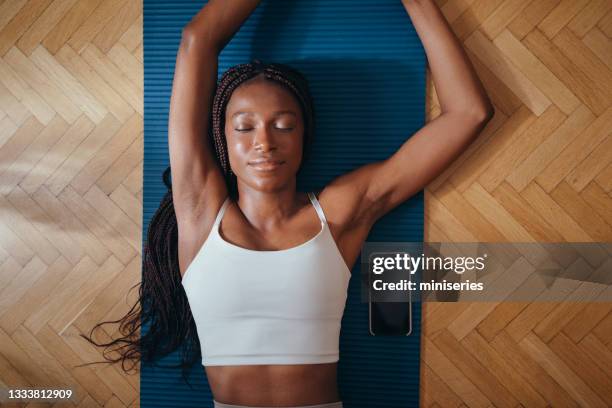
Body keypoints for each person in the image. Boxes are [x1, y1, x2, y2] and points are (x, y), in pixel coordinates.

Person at [82, 1, 493, 407]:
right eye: (244, 126)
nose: (264, 142)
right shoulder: (199, 212)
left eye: (283, 125)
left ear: (303, 135)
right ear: (222, 139)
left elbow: (469, 113)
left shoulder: (338, 215)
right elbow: (197, 39)